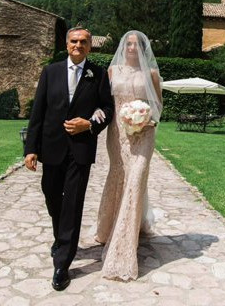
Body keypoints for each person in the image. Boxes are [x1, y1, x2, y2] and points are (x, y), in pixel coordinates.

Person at [23, 26, 115, 291]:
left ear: (90, 46)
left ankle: (62, 263)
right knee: (51, 195)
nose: (79, 45)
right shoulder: (50, 72)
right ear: (67, 44)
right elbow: (37, 112)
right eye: (74, 41)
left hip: (80, 150)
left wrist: (89, 123)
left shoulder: (97, 74)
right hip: (51, 148)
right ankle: (59, 236)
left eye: (83, 41)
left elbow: (107, 108)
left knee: (72, 204)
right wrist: (31, 148)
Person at [94, 30, 163, 281]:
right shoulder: (113, 72)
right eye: (129, 44)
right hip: (117, 134)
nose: (132, 48)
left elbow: (158, 105)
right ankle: (107, 226)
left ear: (144, 49)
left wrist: (148, 120)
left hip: (143, 135)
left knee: (135, 180)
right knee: (119, 176)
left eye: (137, 44)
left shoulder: (152, 74)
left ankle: (124, 241)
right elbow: (106, 103)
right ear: (124, 47)